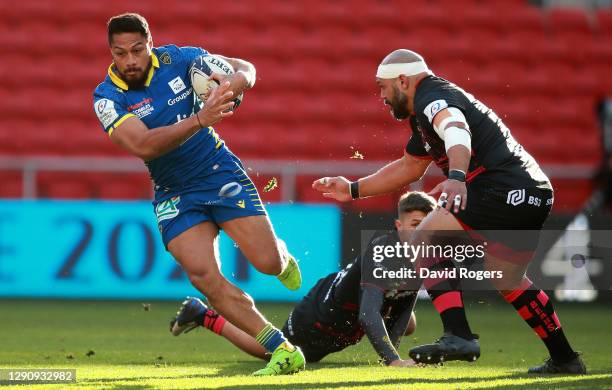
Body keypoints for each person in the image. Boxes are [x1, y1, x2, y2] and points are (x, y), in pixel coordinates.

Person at [311, 49, 586, 374]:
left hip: (501, 186)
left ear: (403, 80)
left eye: (383, 86)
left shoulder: (432, 97)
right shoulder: (425, 112)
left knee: (424, 237)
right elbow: (410, 167)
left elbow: (456, 129)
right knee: (508, 279)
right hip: (535, 193)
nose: (381, 96)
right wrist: (354, 188)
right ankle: (566, 359)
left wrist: (456, 178)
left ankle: (458, 335)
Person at [92, 13, 304, 376]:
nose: (129, 60)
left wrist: (229, 83)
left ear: (150, 43)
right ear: (111, 53)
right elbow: (143, 145)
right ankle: (281, 350)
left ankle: (281, 256)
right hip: (173, 191)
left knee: (268, 264)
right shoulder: (107, 97)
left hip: (216, 171)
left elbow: (247, 70)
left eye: (137, 50)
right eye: (120, 53)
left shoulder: (180, 59)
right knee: (204, 276)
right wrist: (200, 119)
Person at [170, 191, 437, 367]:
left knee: (409, 323)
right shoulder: (384, 252)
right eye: (415, 225)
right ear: (399, 226)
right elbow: (368, 315)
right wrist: (393, 361)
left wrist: (394, 353)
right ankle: (204, 315)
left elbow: (405, 304)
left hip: (348, 315)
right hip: (319, 317)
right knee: (270, 352)